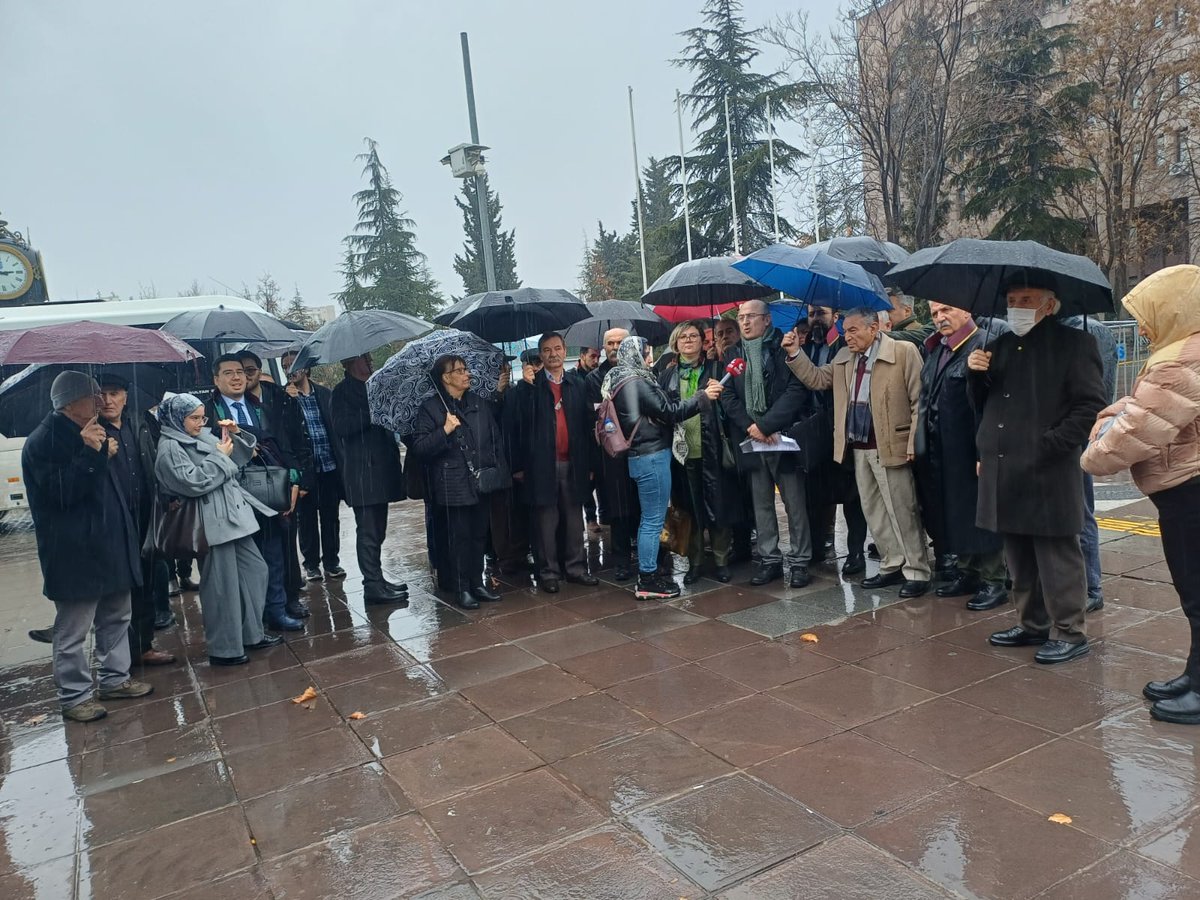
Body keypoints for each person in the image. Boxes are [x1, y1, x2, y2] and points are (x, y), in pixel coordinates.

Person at [1082, 264, 1200, 722]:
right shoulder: (1180, 353)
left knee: (1195, 592)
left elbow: (1131, 430)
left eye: (1146, 313)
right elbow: (1133, 405)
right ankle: (1195, 673)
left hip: (1189, 492)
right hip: (1185, 490)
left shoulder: (1178, 362)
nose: (1143, 325)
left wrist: (1092, 450)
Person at [968, 275, 1107, 664]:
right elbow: (985, 403)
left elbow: (1089, 405)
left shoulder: (1075, 345)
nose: (1016, 306)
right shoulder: (999, 346)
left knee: (1056, 554)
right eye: (1011, 299)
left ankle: (1069, 630)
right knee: (1018, 553)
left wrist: (1050, 444)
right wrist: (975, 375)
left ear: (1049, 304)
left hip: (1048, 469)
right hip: (1005, 466)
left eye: (1025, 298)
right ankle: (1032, 623)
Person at [22, 372, 153, 723]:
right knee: (73, 630)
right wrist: (92, 453)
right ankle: (75, 695)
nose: (101, 401)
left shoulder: (100, 431)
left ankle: (116, 679)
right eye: (92, 395)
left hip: (111, 542)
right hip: (75, 551)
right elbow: (63, 494)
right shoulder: (44, 441)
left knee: (117, 617)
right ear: (68, 402)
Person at [784, 307, 932, 596]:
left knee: (902, 509)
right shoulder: (844, 358)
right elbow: (816, 379)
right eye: (844, 330)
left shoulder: (903, 351)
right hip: (858, 446)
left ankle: (917, 571)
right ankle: (892, 564)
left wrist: (914, 440)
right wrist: (794, 353)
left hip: (891, 444)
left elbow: (918, 400)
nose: (846, 336)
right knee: (874, 510)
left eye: (853, 330)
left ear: (874, 328)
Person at [155, 393, 283, 667]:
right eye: (194, 418)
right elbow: (192, 482)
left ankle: (251, 633)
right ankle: (225, 648)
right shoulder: (170, 447)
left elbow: (238, 459)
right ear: (178, 418)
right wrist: (220, 457)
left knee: (255, 572)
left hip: (233, 517)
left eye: (202, 417)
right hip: (210, 523)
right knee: (221, 587)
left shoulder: (198, 436)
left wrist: (236, 435)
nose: (200, 422)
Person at [604, 336, 723, 599]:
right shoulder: (634, 381)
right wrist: (702, 397)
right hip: (651, 457)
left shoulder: (619, 379)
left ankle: (649, 574)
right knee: (652, 521)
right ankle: (647, 579)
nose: (650, 357)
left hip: (640, 456)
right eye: (646, 352)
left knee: (649, 519)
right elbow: (669, 411)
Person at [915, 304, 1008, 611]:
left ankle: (994, 580)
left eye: (946, 309)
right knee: (955, 512)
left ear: (967, 310)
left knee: (982, 515)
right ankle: (967, 572)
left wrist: (986, 450)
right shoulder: (938, 348)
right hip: (943, 447)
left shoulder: (984, 344)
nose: (940, 317)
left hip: (972, 447)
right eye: (933, 313)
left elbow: (993, 402)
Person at [205, 355, 304, 630]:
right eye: (228, 373)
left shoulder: (261, 407)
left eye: (240, 372)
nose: (237, 377)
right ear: (216, 379)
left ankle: (276, 609)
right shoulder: (208, 411)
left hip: (267, 488)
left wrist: (293, 480)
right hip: (230, 491)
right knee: (241, 559)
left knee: (273, 552)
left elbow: (283, 444)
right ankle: (250, 618)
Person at [721, 299, 814, 589]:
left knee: (794, 502)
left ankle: (799, 561)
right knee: (761, 502)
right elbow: (726, 396)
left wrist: (767, 424)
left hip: (781, 437)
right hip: (750, 439)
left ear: (767, 320)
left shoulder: (782, 348)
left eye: (751, 317)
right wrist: (751, 426)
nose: (745, 322)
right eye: (741, 318)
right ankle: (769, 559)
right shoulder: (734, 355)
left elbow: (796, 390)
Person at [411, 355, 508, 610]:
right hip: (452, 484)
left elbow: (494, 438)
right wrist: (443, 430)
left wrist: (496, 471)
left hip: (480, 481)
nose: (467, 374)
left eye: (466, 369)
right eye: (460, 370)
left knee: (478, 535)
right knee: (459, 538)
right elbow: (420, 448)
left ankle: (477, 583)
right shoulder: (430, 408)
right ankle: (461, 587)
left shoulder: (478, 403)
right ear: (446, 377)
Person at [507, 332, 598, 592]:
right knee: (545, 522)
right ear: (541, 354)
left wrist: (591, 464)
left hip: (573, 462)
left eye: (557, 348)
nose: (553, 354)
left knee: (573, 520)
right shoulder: (530, 387)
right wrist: (524, 386)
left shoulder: (576, 383)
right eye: (546, 350)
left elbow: (587, 425)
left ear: (564, 350)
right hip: (541, 466)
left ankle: (576, 568)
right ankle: (548, 573)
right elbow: (516, 425)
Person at [98, 373, 176, 666]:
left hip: (145, 514)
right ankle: (121, 657)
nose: (108, 400)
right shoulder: (92, 431)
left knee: (145, 582)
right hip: (114, 521)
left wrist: (165, 495)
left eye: (114, 393)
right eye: (102, 394)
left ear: (126, 396)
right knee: (120, 592)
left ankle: (144, 645)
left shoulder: (140, 422)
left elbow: (156, 459)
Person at [659, 320, 741, 583]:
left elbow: (729, 407)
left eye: (693, 336)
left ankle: (720, 560)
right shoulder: (666, 376)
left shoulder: (715, 369)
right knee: (689, 509)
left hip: (711, 448)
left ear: (702, 341)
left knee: (717, 506)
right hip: (681, 454)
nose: (688, 340)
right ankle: (695, 561)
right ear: (675, 342)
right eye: (683, 337)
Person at [238, 350, 314, 618]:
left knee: (286, 542)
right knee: (259, 547)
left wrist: (301, 478)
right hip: (248, 484)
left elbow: (299, 438)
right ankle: (264, 605)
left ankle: (290, 597)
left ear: (259, 371)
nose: (245, 376)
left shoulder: (280, 398)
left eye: (250, 369)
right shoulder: (232, 404)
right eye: (239, 370)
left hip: (284, 478)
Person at [330, 353, 409, 605]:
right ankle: (372, 585)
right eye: (364, 358)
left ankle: (378, 579)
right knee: (368, 531)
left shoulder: (376, 384)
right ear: (349, 362)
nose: (370, 360)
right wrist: (372, 412)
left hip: (382, 470)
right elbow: (342, 427)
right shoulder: (341, 392)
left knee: (379, 530)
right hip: (362, 473)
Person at [799, 305, 868, 576]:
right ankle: (817, 546)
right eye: (812, 313)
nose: (816, 318)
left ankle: (855, 552)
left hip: (842, 428)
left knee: (852, 495)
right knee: (814, 491)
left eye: (821, 313)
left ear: (834, 317)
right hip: (811, 431)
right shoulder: (804, 347)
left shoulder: (844, 347)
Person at [1064, 315, 1119, 614]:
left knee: (1081, 512)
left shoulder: (1090, 331)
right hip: (1058, 436)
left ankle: (1091, 586)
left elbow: (1101, 393)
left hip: (1077, 436)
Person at [282, 349, 346, 583]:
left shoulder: (325, 394)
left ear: (306, 368)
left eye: (294, 364)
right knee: (306, 519)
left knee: (331, 517)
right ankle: (311, 564)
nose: (290, 369)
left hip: (329, 466)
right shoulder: (284, 398)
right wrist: (288, 401)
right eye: (285, 366)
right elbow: (286, 435)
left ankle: (332, 561)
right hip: (305, 470)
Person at [585, 327, 638, 581]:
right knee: (617, 510)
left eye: (620, 342)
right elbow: (591, 415)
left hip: (640, 447)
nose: (615, 347)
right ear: (603, 347)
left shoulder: (640, 371)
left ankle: (654, 556)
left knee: (643, 506)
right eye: (610, 343)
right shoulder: (594, 379)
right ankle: (622, 561)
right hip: (611, 453)